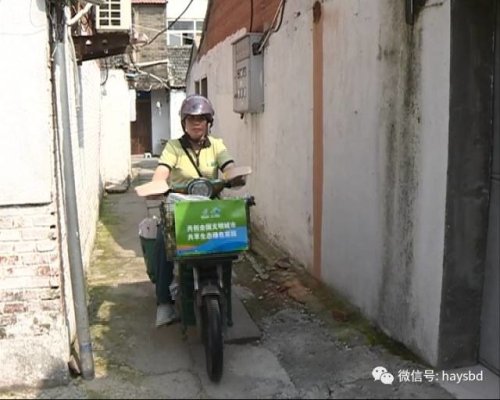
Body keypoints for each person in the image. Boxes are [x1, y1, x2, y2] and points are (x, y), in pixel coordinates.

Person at [145, 94, 237, 327]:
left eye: (202, 119)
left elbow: (228, 166)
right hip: (180, 207)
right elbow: (162, 171)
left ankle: (223, 287)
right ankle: (164, 302)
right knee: (163, 242)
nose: (197, 123)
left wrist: (233, 176)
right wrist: (158, 184)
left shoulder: (216, 145)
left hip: (209, 208)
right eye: (191, 119)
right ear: (184, 122)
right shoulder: (173, 147)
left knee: (231, 240)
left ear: (208, 122)